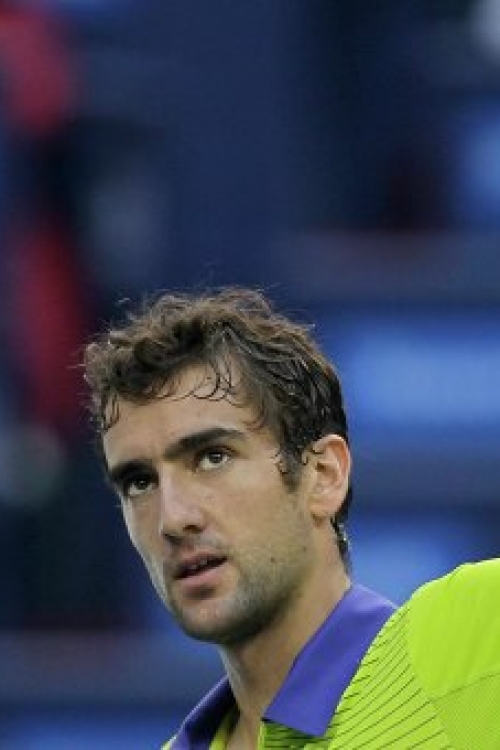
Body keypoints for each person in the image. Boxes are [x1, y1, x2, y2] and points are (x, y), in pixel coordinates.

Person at [84, 287, 500, 750]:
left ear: (324, 476)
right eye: (140, 482)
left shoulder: (467, 640)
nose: (173, 518)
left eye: (213, 457)